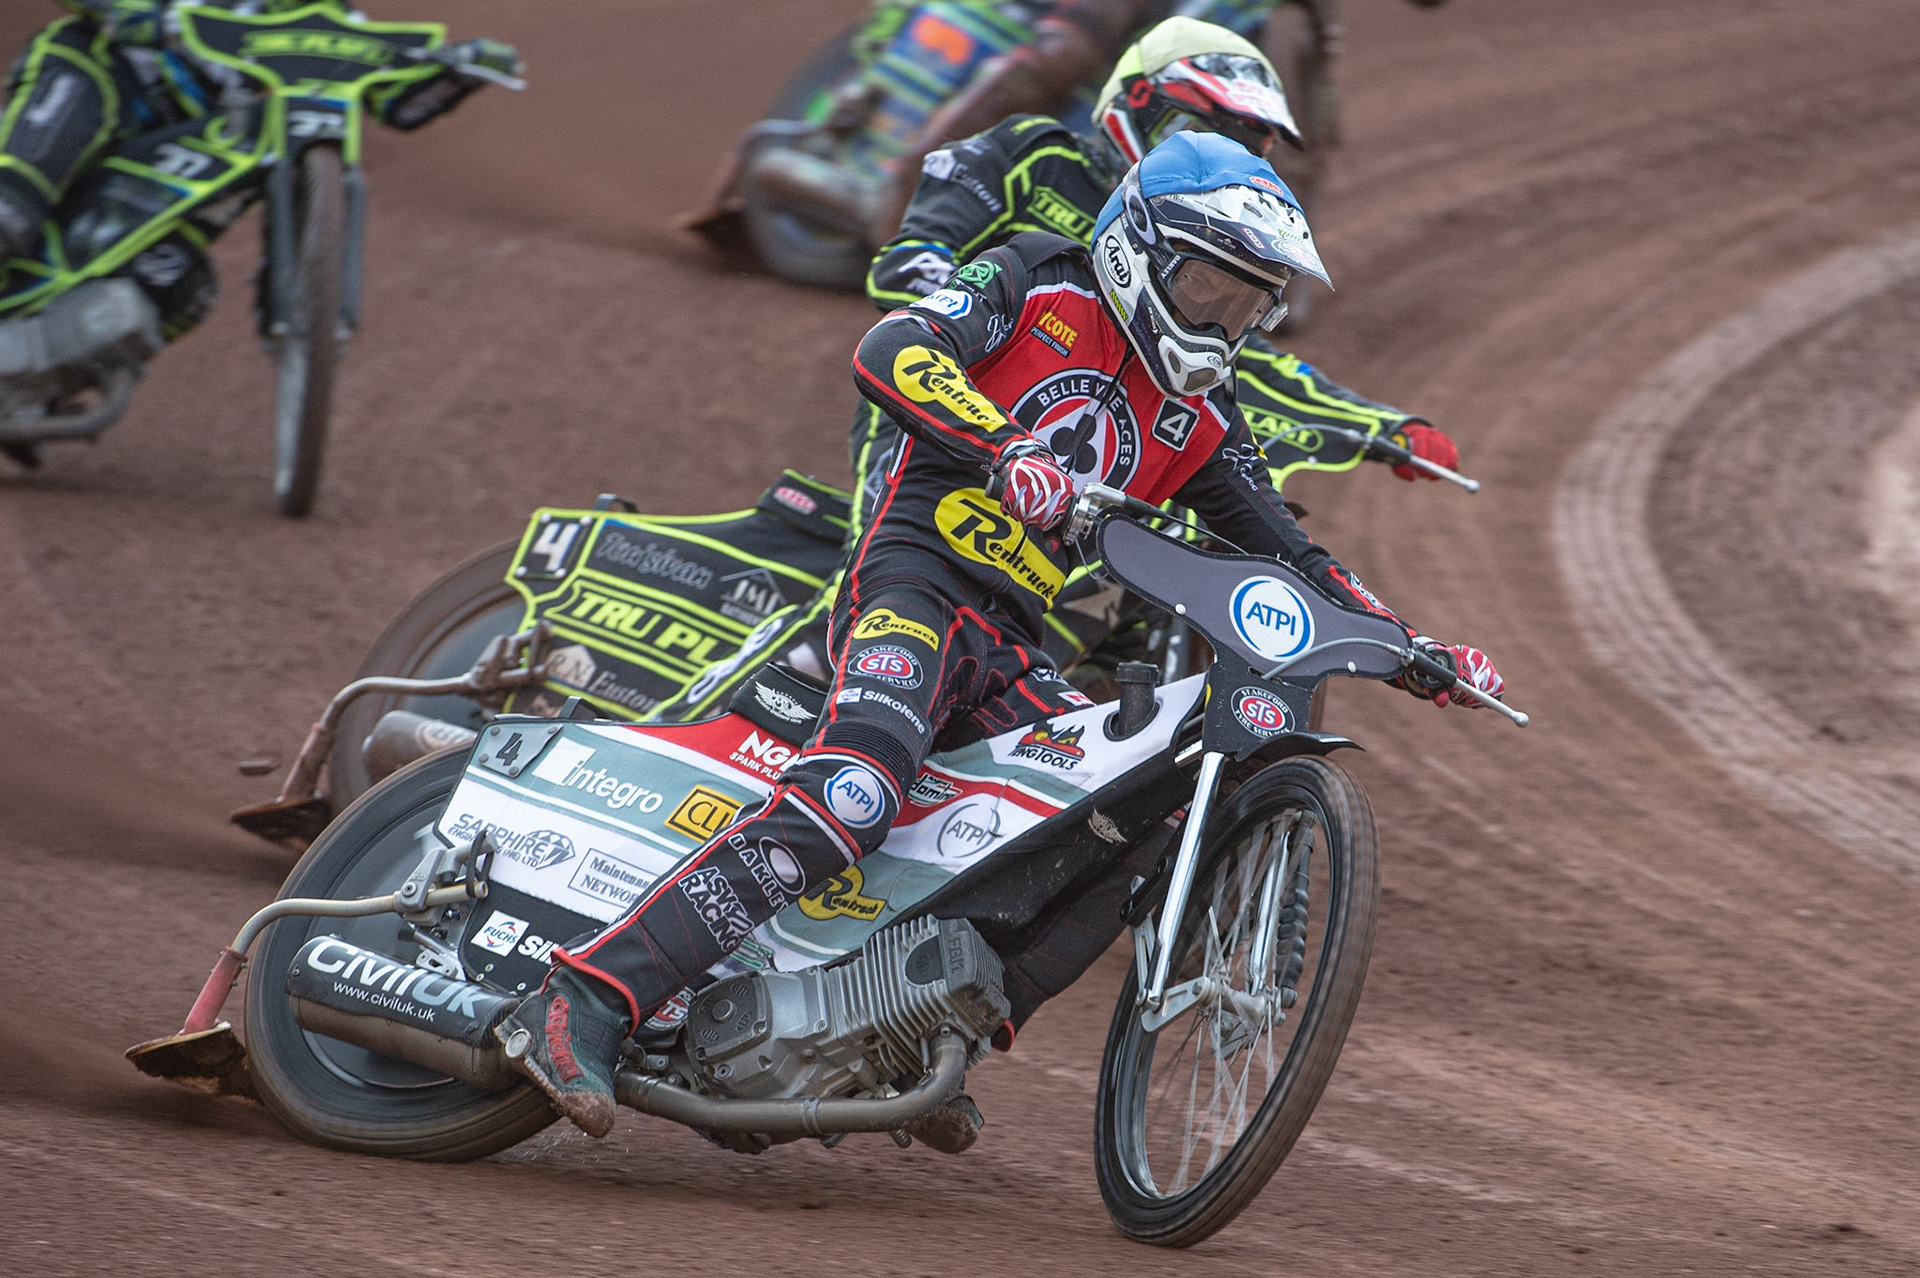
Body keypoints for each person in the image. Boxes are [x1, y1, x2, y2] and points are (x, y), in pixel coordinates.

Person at [498, 133, 1505, 1137]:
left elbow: (1292, 550)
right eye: (1207, 288)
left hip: (1014, 640)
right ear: (1137, 248)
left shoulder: (1202, 415)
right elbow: (893, 348)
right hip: (913, 579)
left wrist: (1413, 646)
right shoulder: (1037, 276)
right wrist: (1001, 444)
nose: (1222, 320)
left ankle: (919, 1025)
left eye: (1247, 303)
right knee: (854, 793)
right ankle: (586, 995)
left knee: (1126, 817)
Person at [649, 17, 1456, 722]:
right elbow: (910, 259)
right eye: (1195, 126)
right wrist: (987, 305)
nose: (1217, 153)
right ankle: (772, 699)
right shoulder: (1030, 154)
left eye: (1248, 145)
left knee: (1137, 577)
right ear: (1137, 105)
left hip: (1098, 438)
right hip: (948, 397)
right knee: (891, 576)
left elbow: (1256, 368)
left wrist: (1380, 425)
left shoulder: (1210, 257)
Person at [0, 0, 518, 464]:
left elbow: (394, 101)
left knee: (179, 287)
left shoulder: (316, 13)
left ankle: (36, 389)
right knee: (12, 207)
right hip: (102, 74)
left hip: (194, 138)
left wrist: (458, 71)